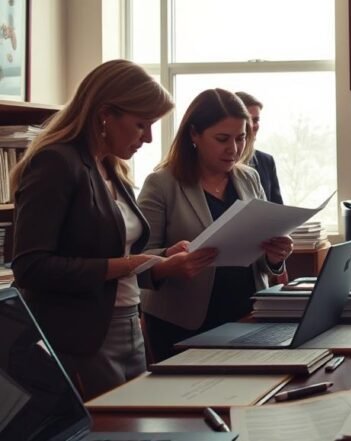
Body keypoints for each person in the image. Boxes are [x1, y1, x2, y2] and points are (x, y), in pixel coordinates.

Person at [9, 60, 215, 400]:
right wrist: (132, 264)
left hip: (128, 323)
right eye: (141, 125)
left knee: (134, 424)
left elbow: (114, 254)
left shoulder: (110, 167)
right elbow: (31, 267)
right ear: (105, 114)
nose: (148, 138)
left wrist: (161, 261)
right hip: (80, 335)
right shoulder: (56, 163)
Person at [139, 89, 293, 362]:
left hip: (248, 314)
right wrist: (169, 260)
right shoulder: (162, 184)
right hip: (182, 322)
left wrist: (274, 257)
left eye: (241, 138)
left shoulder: (250, 177)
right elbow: (138, 261)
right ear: (194, 135)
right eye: (222, 139)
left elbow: (260, 256)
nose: (233, 149)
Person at [235, 91, 283, 205]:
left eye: (256, 120)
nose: (252, 126)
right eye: (248, 120)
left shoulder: (266, 161)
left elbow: (277, 209)